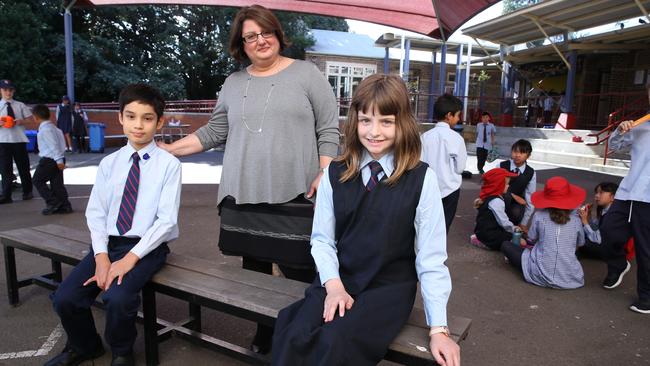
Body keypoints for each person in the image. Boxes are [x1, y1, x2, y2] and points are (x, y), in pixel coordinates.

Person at [157, 5, 339, 353]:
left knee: (302, 273)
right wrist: (172, 149)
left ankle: (313, 339)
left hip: (297, 192)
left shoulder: (307, 74)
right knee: (254, 277)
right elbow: (215, 131)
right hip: (244, 193)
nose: (260, 41)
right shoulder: (233, 82)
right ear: (241, 45)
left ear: (277, 34)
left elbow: (329, 129)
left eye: (265, 32)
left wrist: (325, 171)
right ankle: (266, 336)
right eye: (250, 36)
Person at [272, 74, 459, 366]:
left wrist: (439, 329)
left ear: (403, 124)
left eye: (386, 121)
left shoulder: (422, 179)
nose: (374, 132)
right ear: (354, 122)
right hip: (338, 279)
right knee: (294, 332)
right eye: (365, 120)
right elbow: (322, 240)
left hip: (387, 289)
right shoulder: (335, 173)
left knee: (335, 343)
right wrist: (333, 285)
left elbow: (431, 259)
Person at [45, 84, 182, 366]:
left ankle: (122, 352)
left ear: (159, 122)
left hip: (146, 246)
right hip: (108, 243)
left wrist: (129, 259)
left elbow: (166, 221)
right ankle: (86, 347)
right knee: (66, 298)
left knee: (118, 297)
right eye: (131, 116)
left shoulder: (168, 165)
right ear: (120, 118)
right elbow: (96, 213)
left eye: (147, 118)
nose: (139, 125)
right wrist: (102, 256)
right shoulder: (110, 163)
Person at [600, 80, 650, 314]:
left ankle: (646, 298)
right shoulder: (641, 125)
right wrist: (620, 130)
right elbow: (616, 145)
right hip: (628, 192)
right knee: (608, 229)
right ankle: (618, 264)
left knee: (645, 249)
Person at [502, 176, 586, 289]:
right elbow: (581, 243)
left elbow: (531, 238)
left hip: (539, 274)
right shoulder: (576, 220)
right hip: (569, 278)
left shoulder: (539, 216)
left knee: (506, 245)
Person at [421, 94, 468, 232]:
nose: (459, 119)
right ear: (449, 115)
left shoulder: (425, 137)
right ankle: (438, 251)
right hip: (450, 189)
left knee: (426, 223)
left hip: (428, 189)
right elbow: (460, 168)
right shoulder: (456, 138)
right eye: (458, 115)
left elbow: (419, 163)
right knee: (443, 226)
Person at [31, 104, 73, 215]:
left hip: (50, 159)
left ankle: (53, 202)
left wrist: (58, 160)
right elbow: (61, 144)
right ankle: (65, 205)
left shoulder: (45, 130)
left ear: (36, 117)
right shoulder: (55, 128)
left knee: (37, 180)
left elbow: (53, 145)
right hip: (58, 158)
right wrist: (61, 159)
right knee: (57, 184)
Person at [0, 79, 34, 204]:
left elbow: (31, 119)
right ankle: (6, 194)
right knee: (5, 168)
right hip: (3, 141)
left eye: (10, 90)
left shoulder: (20, 105)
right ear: (1, 91)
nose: (8, 92)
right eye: (5, 90)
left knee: (23, 167)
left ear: (13, 91)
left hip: (18, 139)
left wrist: (21, 121)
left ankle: (27, 191)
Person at [470, 168, 520, 251]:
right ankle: (486, 244)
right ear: (498, 185)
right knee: (520, 241)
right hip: (490, 235)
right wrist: (514, 229)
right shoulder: (496, 201)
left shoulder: (488, 196)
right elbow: (504, 222)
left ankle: (479, 238)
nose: (508, 186)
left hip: (482, 231)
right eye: (506, 184)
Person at [499, 139, 536, 229]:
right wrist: (513, 195)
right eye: (515, 151)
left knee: (516, 212)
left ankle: (511, 227)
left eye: (522, 153)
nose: (517, 155)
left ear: (528, 156)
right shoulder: (501, 166)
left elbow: (530, 198)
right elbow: (492, 186)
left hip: (515, 204)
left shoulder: (531, 172)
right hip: (499, 199)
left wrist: (524, 222)